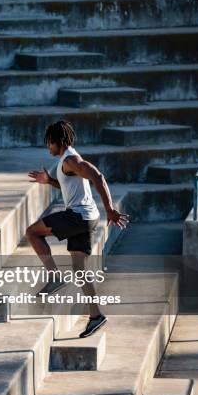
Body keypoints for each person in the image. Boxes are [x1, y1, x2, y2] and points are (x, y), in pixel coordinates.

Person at [26, 120, 129, 338]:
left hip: (79, 216)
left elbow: (97, 176)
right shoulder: (67, 161)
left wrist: (110, 209)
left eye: (49, 144)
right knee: (80, 270)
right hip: (88, 218)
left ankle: (54, 276)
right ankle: (96, 316)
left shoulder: (71, 159)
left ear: (57, 141)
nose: (48, 148)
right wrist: (50, 181)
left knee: (32, 232)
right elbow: (69, 184)